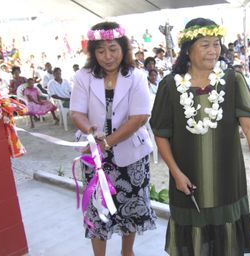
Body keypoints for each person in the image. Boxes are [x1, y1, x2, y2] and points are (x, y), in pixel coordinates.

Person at [150, 17, 250, 255]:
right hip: (187, 178)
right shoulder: (169, 86)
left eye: (216, 44)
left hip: (227, 179)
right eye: (205, 44)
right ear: (188, 49)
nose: (213, 51)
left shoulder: (232, 80)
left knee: (226, 245)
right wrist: (176, 173)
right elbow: (161, 134)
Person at [70, 21, 156, 256]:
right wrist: (90, 130)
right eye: (100, 50)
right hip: (94, 157)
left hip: (130, 155)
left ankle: (127, 252)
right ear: (93, 52)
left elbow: (140, 117)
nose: (107, 56)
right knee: (97, 211)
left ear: (123, 49)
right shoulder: (83, 76)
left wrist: (107, 142)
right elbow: (76, 112)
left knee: (131, 208)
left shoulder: (136, 76)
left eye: (113, 49)